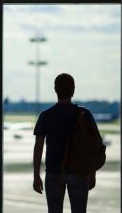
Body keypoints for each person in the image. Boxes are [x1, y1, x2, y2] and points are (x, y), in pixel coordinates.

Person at [33, 73, 97, 213]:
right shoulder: (84, 114)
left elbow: (38, 147)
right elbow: (93, 146)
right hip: (79, 173)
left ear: (55, 89)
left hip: (54, 173)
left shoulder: (46, 116)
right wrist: (92, 173)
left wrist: (36, 175)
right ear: (73, 90)